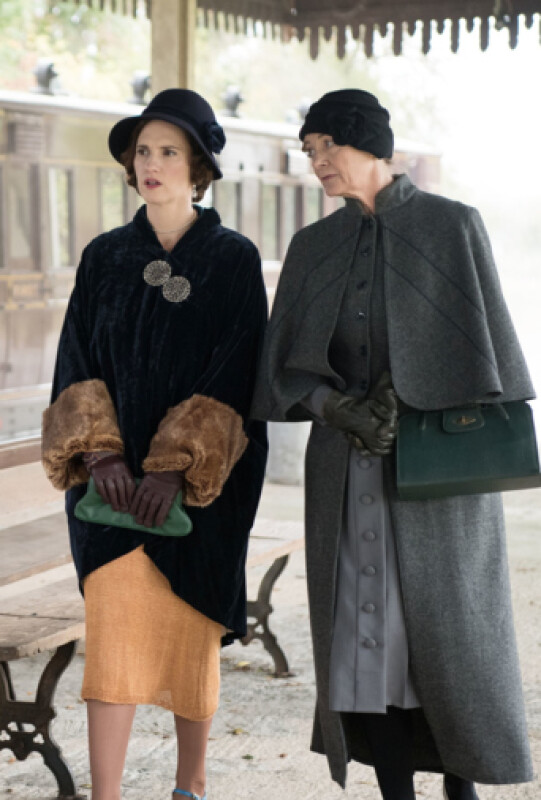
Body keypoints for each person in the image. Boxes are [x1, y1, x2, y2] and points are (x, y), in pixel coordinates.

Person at [251, 89, 534, 800]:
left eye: (328, 145)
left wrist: (410, 395)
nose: (316, 161)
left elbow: (489, 353)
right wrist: (336, 407)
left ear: (371, 143)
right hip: (346, 473)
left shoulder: (451, 225)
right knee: (364, 638)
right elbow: (281, 368)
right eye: (308, 150)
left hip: (439, 471)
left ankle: (463, 788)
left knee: (449, 637)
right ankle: (395, 792)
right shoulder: (313, 246)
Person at [42, 89, 267, 800]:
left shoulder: (233, 258)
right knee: (112, 642)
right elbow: (75, 359)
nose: (152, 163)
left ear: (198, 167)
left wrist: (175, 466)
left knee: (189, 636)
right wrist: (100, 453)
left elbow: (238, 370)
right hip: (109, 492)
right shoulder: (105, 256)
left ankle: (189, 785)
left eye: (169, 151)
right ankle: (105, 795)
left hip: (200, 493)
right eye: (143, 151)